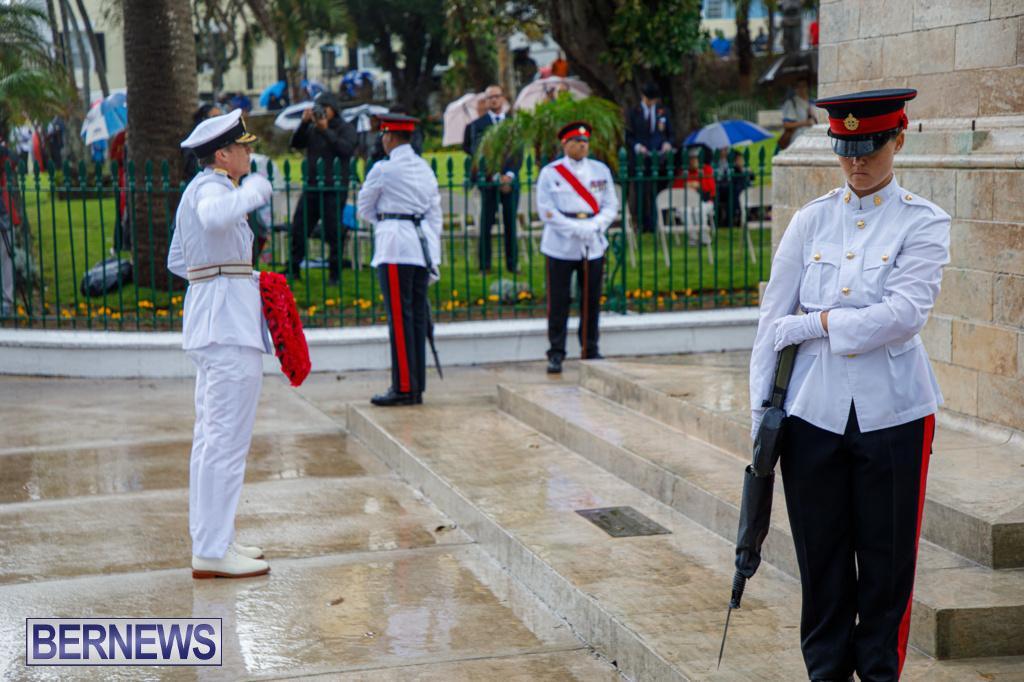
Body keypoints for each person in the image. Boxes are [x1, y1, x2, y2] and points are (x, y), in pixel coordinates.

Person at [749, 89, 950, 681]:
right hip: (812, 412)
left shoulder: (923, 220)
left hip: (893, 414)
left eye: (871, 147)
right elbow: (771, 321)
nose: (856, 161)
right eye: (845, 148)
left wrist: (818, 323)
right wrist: (760, 416)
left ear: (899, 140)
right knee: (822, 564)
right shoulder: (810, 219)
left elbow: (904, 314)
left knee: (888, 567)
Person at [167, 109, 275, 579]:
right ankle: (212, 550)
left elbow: (178, 260)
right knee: (226, 443)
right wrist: (254, 191)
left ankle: (216, 539)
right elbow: (213, 219)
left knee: (212, 440)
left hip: (213, 321)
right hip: (228, 326)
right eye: (243, 147)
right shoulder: (215, 189)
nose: (249, 153)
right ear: (223, 154)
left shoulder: (199, 189)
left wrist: (214, 272)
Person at [357, 114, 442, 406]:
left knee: (400, 318)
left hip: (394, 247)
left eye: (384, 135)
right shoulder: (425, 168)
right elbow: (435, 215)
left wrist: (386, 222)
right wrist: (434, 256)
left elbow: (364, 207)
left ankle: (404, 387)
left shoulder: (383, 169)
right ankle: (415, 386)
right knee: (416, 316)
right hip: (421, 247)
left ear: (389, 137)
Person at [536, 121, 619, 374]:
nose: (583, 145)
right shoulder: (551, 173)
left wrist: (595, 225)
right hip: (560, 245)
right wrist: (574, 228)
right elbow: (546, 210)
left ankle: (590, 349)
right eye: (577, 141)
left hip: (592, 243)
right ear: (565, 144)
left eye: (585, 141)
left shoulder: (600, 170)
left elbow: (611, 205)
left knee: (591, 300)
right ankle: (556, 352)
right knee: (558, 301)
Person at [282, 91, 357, 284]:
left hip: (334, 188)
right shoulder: (312, 128)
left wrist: (325, 129)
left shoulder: (345, 128)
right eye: (318, 108)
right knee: (299, 228)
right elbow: (295, 143)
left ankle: (334, 272)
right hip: (312, 187)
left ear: (334, 109)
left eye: (325, 108)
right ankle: (293, 268)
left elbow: (346, 149)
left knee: (333, 232)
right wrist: (304, 123)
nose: (321, 111)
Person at [462, 84, 521, 274]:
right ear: (486, 101)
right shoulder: (477, 125)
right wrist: (496, 176)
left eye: (497, 96)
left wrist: (509, 176)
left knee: (511, 224)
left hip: (510, 183)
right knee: (486, 225)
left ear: (503, 98)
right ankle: (485, 265)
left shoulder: (513, 123)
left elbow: (518, 152)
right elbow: (477, 152)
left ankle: (512, 264)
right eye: (490, 97)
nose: (494, 100)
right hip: (489, 183)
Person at [625, 81, 675, 232]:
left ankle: (655, 222)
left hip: (658, 158)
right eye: (649, 99)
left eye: (654, 99)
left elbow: (671, 134)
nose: (652, 102)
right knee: (640, 191)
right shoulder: (633, 113)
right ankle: (641, 223)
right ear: (643, 96)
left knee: (657, 190)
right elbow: (628, 137)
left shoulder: (663, 112)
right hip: (640, 158)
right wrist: (637, 146)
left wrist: (667, 143)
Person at [672, 147, 716, 244]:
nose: (694, 161)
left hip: (704, 201)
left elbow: (712, 190)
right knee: (685, 211)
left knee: (698, 211)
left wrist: (698, 185)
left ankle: (704, 237)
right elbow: (675, 189)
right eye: (692, 159)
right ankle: (693, 237)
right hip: (686, 202)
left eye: (696, 159)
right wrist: (685, 185)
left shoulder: (707, 169)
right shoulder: (684, 171)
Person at [0, 142, 20, 316]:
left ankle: (6, 300)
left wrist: (2, 150)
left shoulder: (2, 146)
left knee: (6, 255)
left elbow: (13, 159)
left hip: (4, 210)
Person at [183, 104, 223, 184]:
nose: (218, 119)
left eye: (220, 117)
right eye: (215, 116)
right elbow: (190, 165)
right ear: (204, 119)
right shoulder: (195, 138)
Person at [779, 75, 816, 150]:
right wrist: (805, 123)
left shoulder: (814, 103)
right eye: (798, 86)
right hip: (797, 138)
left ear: (808, 87)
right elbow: (786, 124)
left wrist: (813, 116)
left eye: (803, 86)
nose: (801, 89)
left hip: (812, 138)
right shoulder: (792, 103)